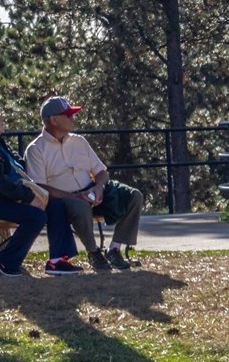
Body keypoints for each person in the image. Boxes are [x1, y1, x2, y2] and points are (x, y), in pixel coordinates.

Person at [24, 96, 144, 271]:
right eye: (68, 115)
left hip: (92, 191)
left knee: (134, 196)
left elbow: (101, 172)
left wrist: (99, 187)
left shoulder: (79, 141)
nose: (73, 119)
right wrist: (74, 196)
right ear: (53, 120)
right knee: (79, 206)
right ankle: (94, 252)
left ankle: (114, 248)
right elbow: (40, 186)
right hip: (65, 199)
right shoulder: (36, 149)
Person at [0, 101, 82, 276]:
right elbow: (0, 183)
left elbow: (21, 168)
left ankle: (57, 261)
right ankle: (5, 262)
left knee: (55, 205)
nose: (1, 118)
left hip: (6, 201)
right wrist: (29, 198)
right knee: (35, 216)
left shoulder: (0, 144)